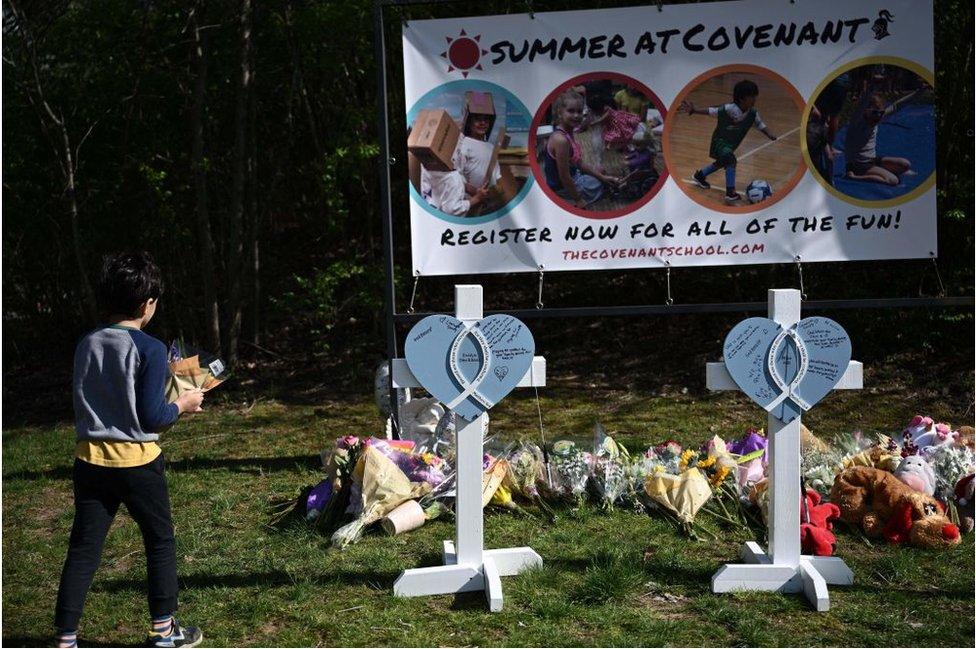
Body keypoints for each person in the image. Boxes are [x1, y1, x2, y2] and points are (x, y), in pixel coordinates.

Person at [54, 252, 205, 648]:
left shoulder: (86, 343)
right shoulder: (150, 348)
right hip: (138, 463)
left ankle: (65, 639)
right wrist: (183, 404)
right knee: (159, 541)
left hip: (89, 462)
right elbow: (153, 417)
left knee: (83, 548)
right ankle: (164, 633)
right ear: (146, 304)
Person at [682, 79, 777, 204]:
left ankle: (699, 176)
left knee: (723, 162)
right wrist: (694, 110)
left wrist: (769, 134)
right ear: (742, 99)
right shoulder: (728, 109)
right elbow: (711, 110)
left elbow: (760, 124)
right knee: (731, 160)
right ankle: (730, 193)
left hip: (731, 144)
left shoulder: (753, 113)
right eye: (752, 97)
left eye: (755, 96)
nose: (755, 99)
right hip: (719, 142)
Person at [543, 89, 620, 208]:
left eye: (579, 112)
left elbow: (578, 162)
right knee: (601, 185)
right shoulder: (561, 140)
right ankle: (569, 199)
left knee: (601, 173)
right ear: (560, 112)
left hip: (575, 174)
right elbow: (564, 176)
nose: (576, 115)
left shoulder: (568, 131)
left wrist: (602, 177)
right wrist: (578, 199)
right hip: (562, 187)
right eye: (571, 111)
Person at [843, 73, 922, 186]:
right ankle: (854, 177)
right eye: (875, 113)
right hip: (858, 165)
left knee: (906, 164)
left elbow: (896, 106)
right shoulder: (857, 123)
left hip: (872, 160)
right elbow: (863, 102)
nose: (878, 116)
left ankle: (880, 171)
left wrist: (920, 92)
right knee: (893, 181)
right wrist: (873, 86)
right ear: (866, 111)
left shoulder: (877, 117)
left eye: (880, 113)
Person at [807, 73, 850, 185]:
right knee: (833, 114)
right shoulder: (822, 129)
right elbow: (830, 159)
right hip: (840, 80)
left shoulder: (819, 127)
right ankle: (829, 180)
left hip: (831, 80)